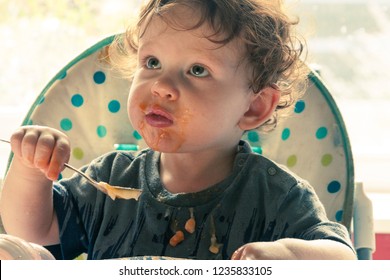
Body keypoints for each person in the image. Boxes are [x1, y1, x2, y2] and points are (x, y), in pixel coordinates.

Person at [0, 0, 356, 260]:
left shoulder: (277, 197)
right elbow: (29, 232)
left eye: (197, 70)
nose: (161, 86)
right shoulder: (109, 181)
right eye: (152, 62)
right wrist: (32, 167)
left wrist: (289, 257)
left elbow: (342, 260)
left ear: (254, 106)